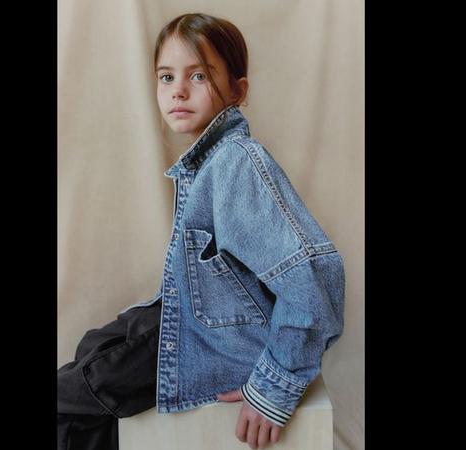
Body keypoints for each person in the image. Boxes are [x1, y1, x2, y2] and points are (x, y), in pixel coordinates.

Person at [57, 12, 345, 450]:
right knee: (93, 347)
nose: (179, 90)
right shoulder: (207, 162)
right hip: (194, 315)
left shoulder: (236, 163)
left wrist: (274, 385)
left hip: (219, 342)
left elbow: (314, 276)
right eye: (167, 77)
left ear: (237, 90)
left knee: (70, 400)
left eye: (199, 76)